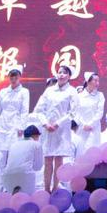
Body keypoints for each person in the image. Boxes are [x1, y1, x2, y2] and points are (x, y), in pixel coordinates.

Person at [34, 64, 78, 193]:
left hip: (61, 130)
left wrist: (58, 123)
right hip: (48, 129)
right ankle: (46, 189)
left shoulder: (72, 91)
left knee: (59, 160)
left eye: (64, 73)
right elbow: (38, 110)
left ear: (69, 76)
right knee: (47, 160)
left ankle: (55, 189)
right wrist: (45, 123)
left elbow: (73, 112)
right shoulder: (49, 91)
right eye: (59, 72)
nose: (61, 75)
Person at [0, 67, 29, 173]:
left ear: (20, 77)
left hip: (15, 124)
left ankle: (11, 179)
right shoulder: (3, 91)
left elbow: (24, 110)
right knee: (1, 153)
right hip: (3, 123)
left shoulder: (24, 92)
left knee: (14, 153)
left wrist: (22, 126)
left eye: (16, 77)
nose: (13, 79)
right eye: (11, 77)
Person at [2, 125, 43, 193]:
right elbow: (38, 166)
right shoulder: (37, 144)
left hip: (7, 179)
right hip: (25, 177)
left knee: (14, 197)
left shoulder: (14, 144)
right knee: (27, 197)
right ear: (35, 135)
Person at [75, 72, 105, 153]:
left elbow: (99, 112)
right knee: (80, 151)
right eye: (95, 81)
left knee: (93, 151)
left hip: (94, 129)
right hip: (81, 129)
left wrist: (91, 124)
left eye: (98, 81)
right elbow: (76, 113)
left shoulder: (100, 95)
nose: (97, 83)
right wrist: (83, 125)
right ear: (88, 81)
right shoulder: (79, 96)